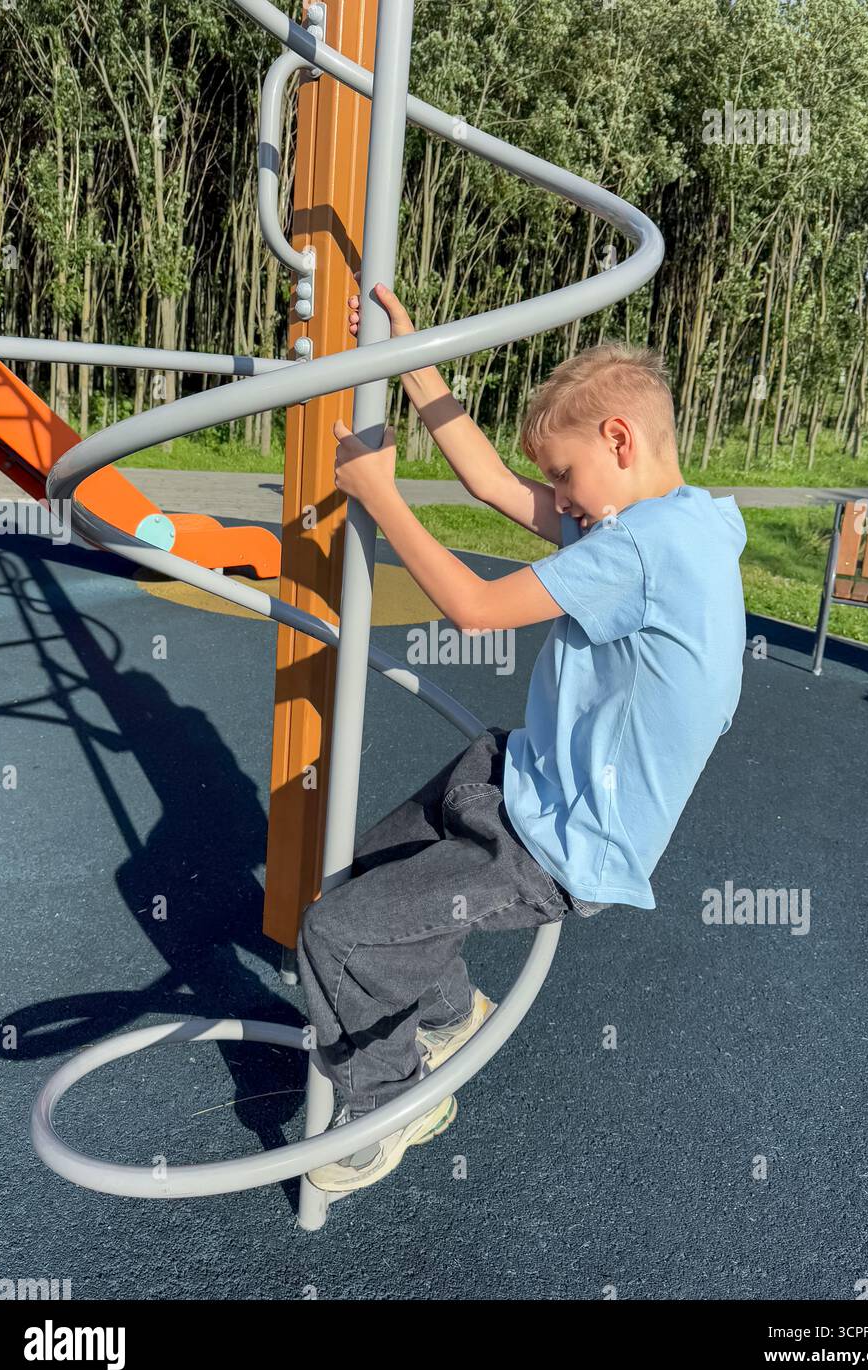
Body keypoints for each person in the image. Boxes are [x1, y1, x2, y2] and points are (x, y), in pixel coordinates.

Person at [301, 281, 747, 1192]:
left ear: (617, 440)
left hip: (550, 847)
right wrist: (411, 359)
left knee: (335, 933)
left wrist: (378, 497)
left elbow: (470, 609)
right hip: (513, 775)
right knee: (373, 882)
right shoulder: (679, 517)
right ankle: (444, 1007)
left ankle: (391, 1102)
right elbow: (495, 484)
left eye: (566, 477)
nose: (556, 498)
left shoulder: (637, 549)